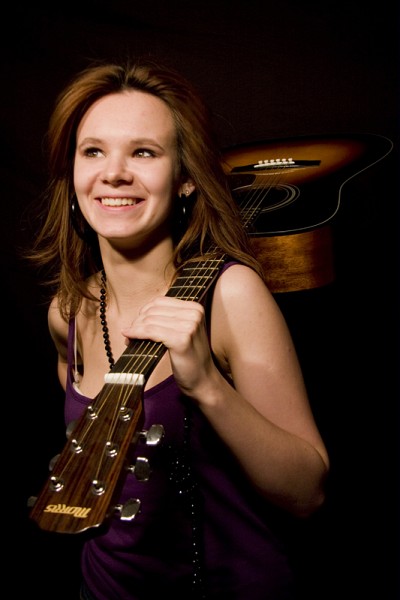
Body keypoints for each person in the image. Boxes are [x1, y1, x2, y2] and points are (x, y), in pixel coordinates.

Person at [27, 58, 329, 600]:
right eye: (93, 151)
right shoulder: (67, 312)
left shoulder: (231, 295)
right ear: (71, 175)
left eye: (144, 152)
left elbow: (307, 492)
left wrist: (208, 385)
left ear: (185, 178)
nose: (114, 173)